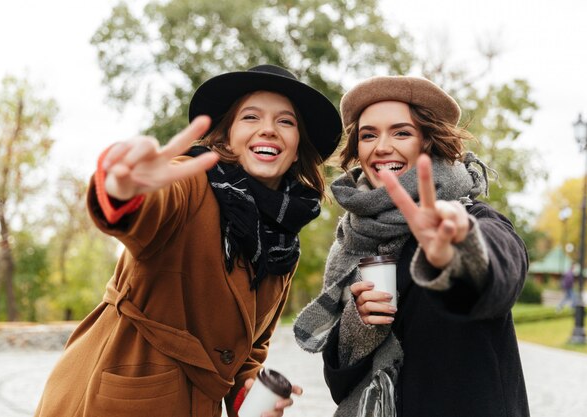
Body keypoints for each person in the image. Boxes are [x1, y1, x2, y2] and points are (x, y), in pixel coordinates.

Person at [34, 64, 342, 417]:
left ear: (297, 144)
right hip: (119, 392)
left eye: (285, 122)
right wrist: (124, 191)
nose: (269, 130)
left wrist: (250, 387)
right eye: (251, 117)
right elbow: (149, 209)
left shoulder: (283, 241)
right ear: (226, 138)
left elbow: (250, 346)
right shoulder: (191, 182)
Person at [294, 75, 530, 416]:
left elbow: (503, 273)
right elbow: (339, 386)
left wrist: (456, 253)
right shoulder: (351, 241)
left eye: (401, 132)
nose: (381, 146)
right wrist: (359, 325)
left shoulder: (467, 219)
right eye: (368, 134)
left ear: (428, 141)